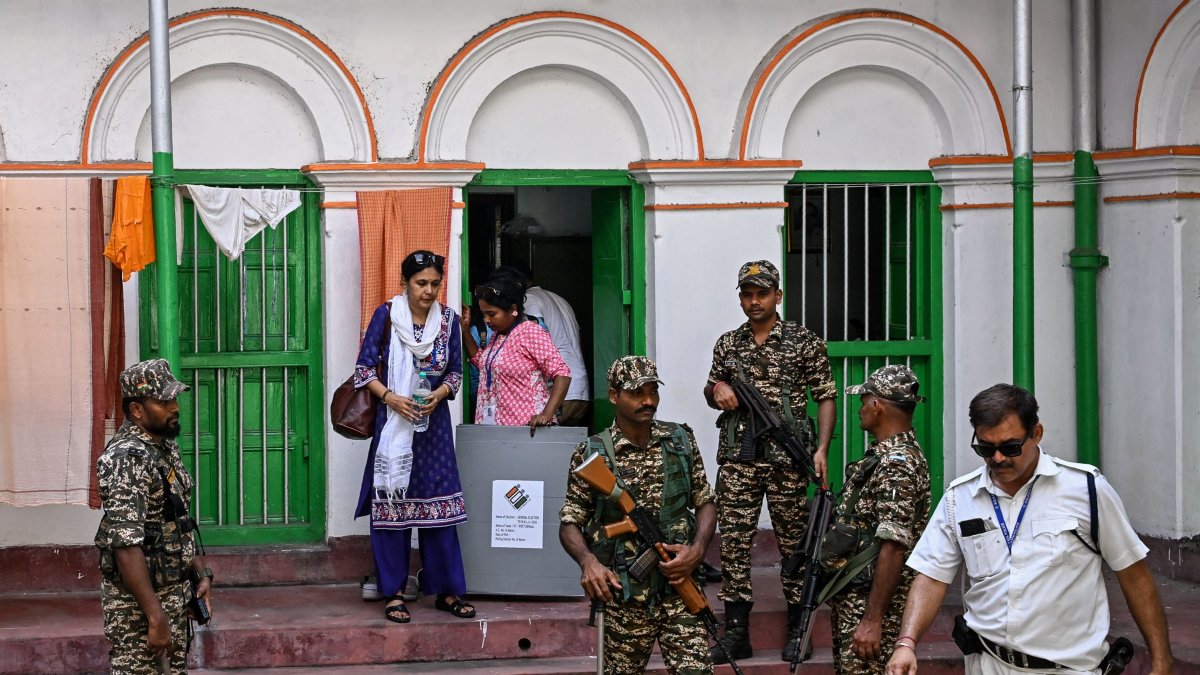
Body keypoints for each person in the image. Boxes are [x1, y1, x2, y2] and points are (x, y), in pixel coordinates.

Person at [887, 384, 1174, 675]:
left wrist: (1162, 662)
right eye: (986, 448)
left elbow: (1134, 575)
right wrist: (906, 643)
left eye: (1010, 447)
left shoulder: (1086, 490)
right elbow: (932, 578)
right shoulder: (959, 498)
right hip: (988, 665)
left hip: (1068, 670)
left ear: (1036, 434)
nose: (998, 458)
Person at [704, 259, 837, 663]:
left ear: (778, 296)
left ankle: (800, 629)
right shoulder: (729, 343)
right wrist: (719, 388)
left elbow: (826, 395)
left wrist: (822, 450)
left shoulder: (803, 341)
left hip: (788, 460)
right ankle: (738, 631)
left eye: (762, 293)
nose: (754, 301)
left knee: (794, 546)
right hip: (740, 461)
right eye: (747, 294)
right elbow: (711, 388)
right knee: (735, 545)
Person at [559, 356, 717, 674]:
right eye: (636, 393)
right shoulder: (592, 454)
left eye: (652, 392)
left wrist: (697, 551)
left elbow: (706, 502)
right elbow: (569, 523)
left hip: (679, 587)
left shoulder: (680, 440)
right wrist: (589, 563)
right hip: (625, 597)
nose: (648, 401)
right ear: (615, 395)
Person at [353, 250, 474, 624]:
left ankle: (447, 590)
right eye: (421, 283)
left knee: (441, 509)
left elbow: (456, 371)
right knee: (393, 507)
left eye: (435, 283)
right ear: (404, 283)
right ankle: (392, 592)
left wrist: (439, 395)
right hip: (395, 426)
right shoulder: (386, 316)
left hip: (433, 430)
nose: (429, 291)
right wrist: (391, 398)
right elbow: (363, 368)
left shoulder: (449, 321)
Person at [95, 358, 212, 674]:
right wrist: (155, 616)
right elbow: (125, 545)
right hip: (139, 609)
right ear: (136, 411)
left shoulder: (162, 445)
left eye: (174, 398)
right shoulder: (125, 459)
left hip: (173, 593)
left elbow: (176, 518)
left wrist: (199, 573)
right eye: (163, 401)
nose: (174, 407)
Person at [822, 365, 931, 674]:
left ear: (877, 405)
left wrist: (872, 620)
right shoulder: (884, 456)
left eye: (863, 401)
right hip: (857, 598)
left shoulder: (897, 464)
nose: (859, 410)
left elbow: (894, 546)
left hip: (871, 607)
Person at [461, 275, 572, 430]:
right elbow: (482, 362)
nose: (486, 320)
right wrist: (465, 331)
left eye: (491, 314)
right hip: (497, 429)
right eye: (483, 314)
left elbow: (562, 374)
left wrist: (546, 415)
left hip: (526, 430)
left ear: (513, 309)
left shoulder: (530, 332)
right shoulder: (498, 336)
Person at [509, 265, 591, 427]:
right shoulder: (560, 299)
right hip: (580, 389)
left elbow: (536, 337)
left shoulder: (529, 299)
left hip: (561, 391)